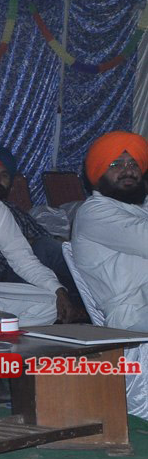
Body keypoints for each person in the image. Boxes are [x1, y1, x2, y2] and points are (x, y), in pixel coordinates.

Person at [70, 130, 148, 418]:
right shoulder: (94, 213)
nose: (128, 170)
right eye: (116, 164)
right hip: (131, 313)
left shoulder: (135, 209)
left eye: (134, 164)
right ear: (97, 172)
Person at [0, 146, 85, 320]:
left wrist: (58, 290)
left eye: (3, 176)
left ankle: (80, 302)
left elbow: (23, 259)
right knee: (46, 247)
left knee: (52, 302)